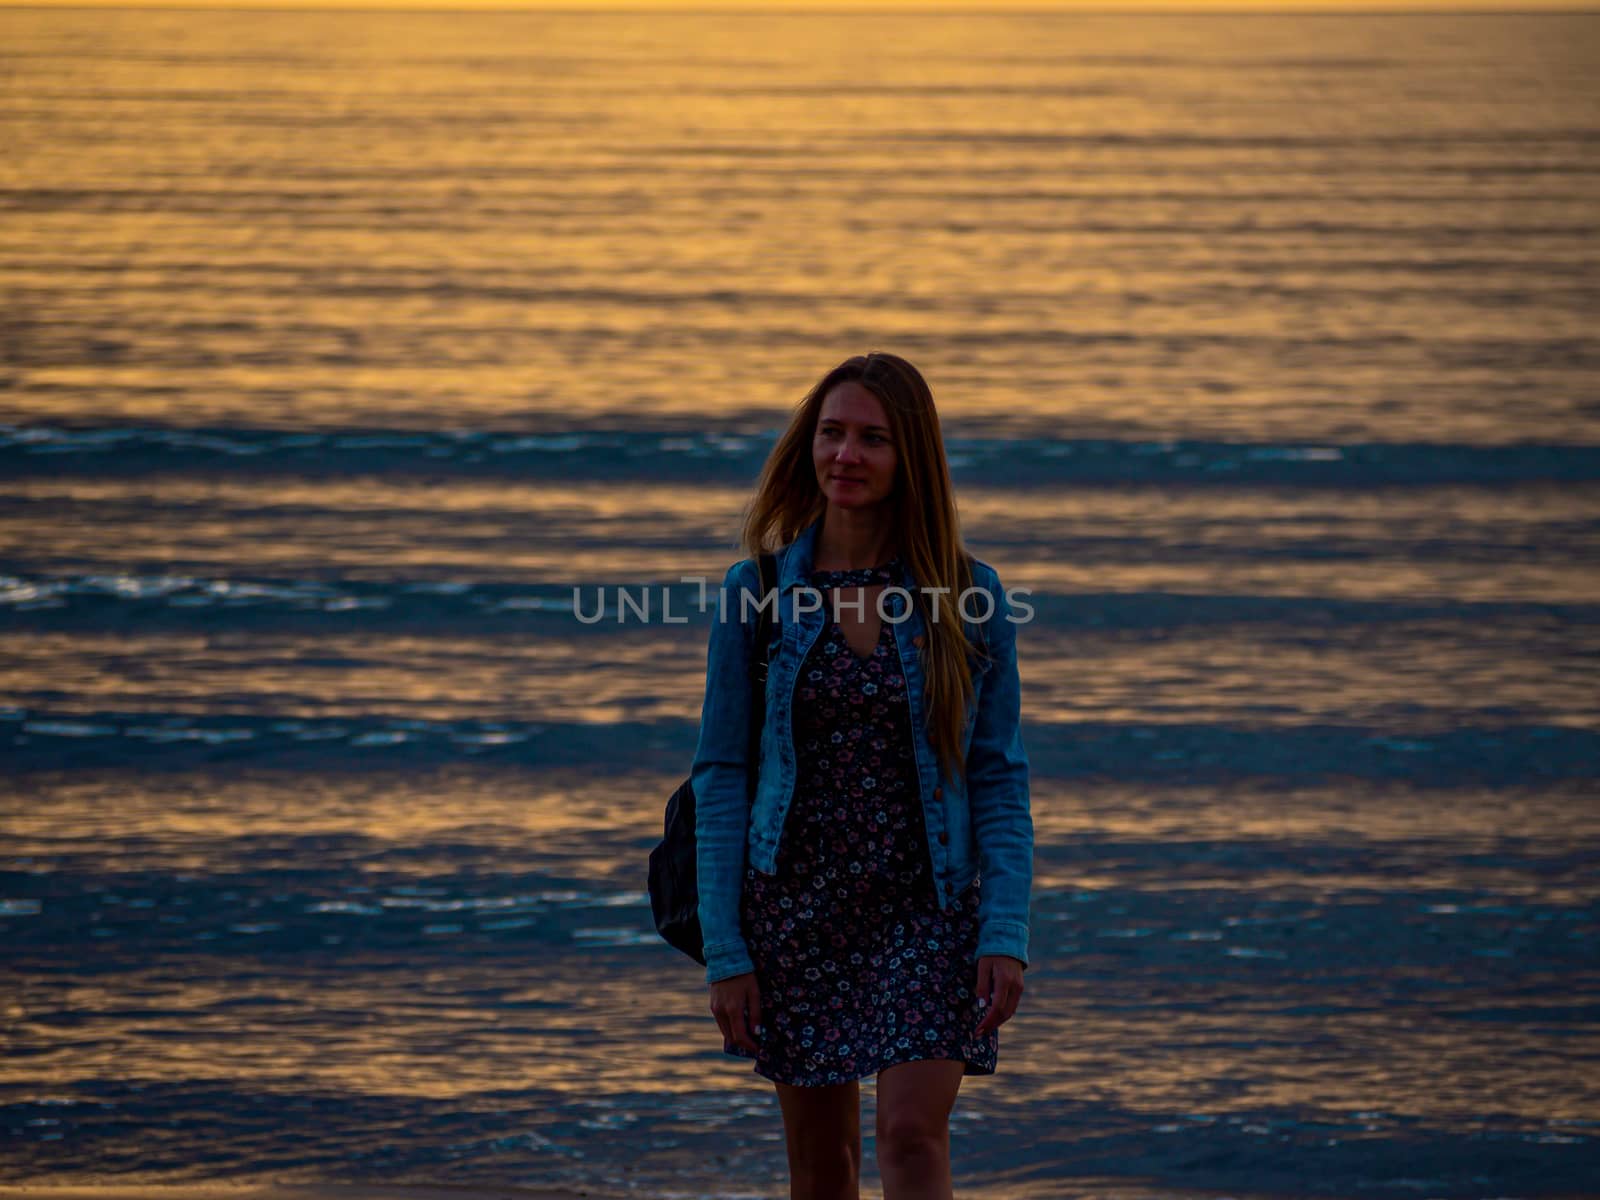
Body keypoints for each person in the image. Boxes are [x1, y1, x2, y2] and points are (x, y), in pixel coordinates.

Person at [690, 351, 1033, 1200]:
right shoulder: (759, 593)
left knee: (912, 1135)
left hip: (928, 907)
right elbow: (722, 774)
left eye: (872, 439)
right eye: (832, 433)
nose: (846, 455)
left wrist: (1005, 932)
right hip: (795, 911)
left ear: (910, 457)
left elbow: (997, 777)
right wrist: (726, 950)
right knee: (823, 1165)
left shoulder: (968, 596)